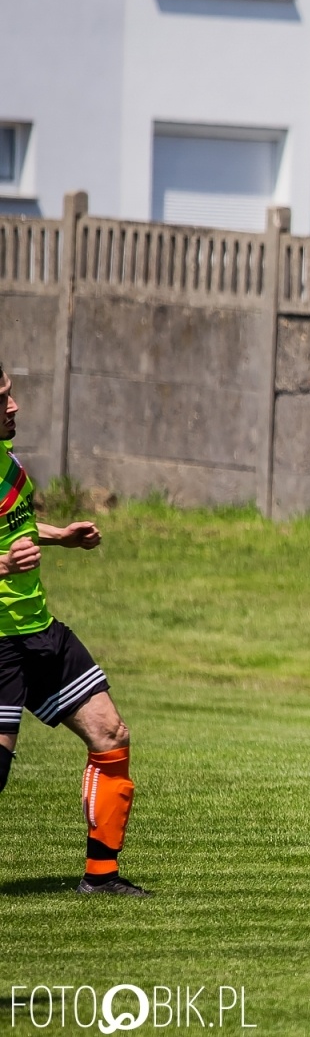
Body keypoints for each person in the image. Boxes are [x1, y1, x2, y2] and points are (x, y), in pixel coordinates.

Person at [0, 367, 146, 895]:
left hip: (39, 631)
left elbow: (15, 528)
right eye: (2, 398)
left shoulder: (8, 463)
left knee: (111, 734)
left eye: (11, 394)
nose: (14, 406)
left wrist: (59, 535)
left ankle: (101, 878)